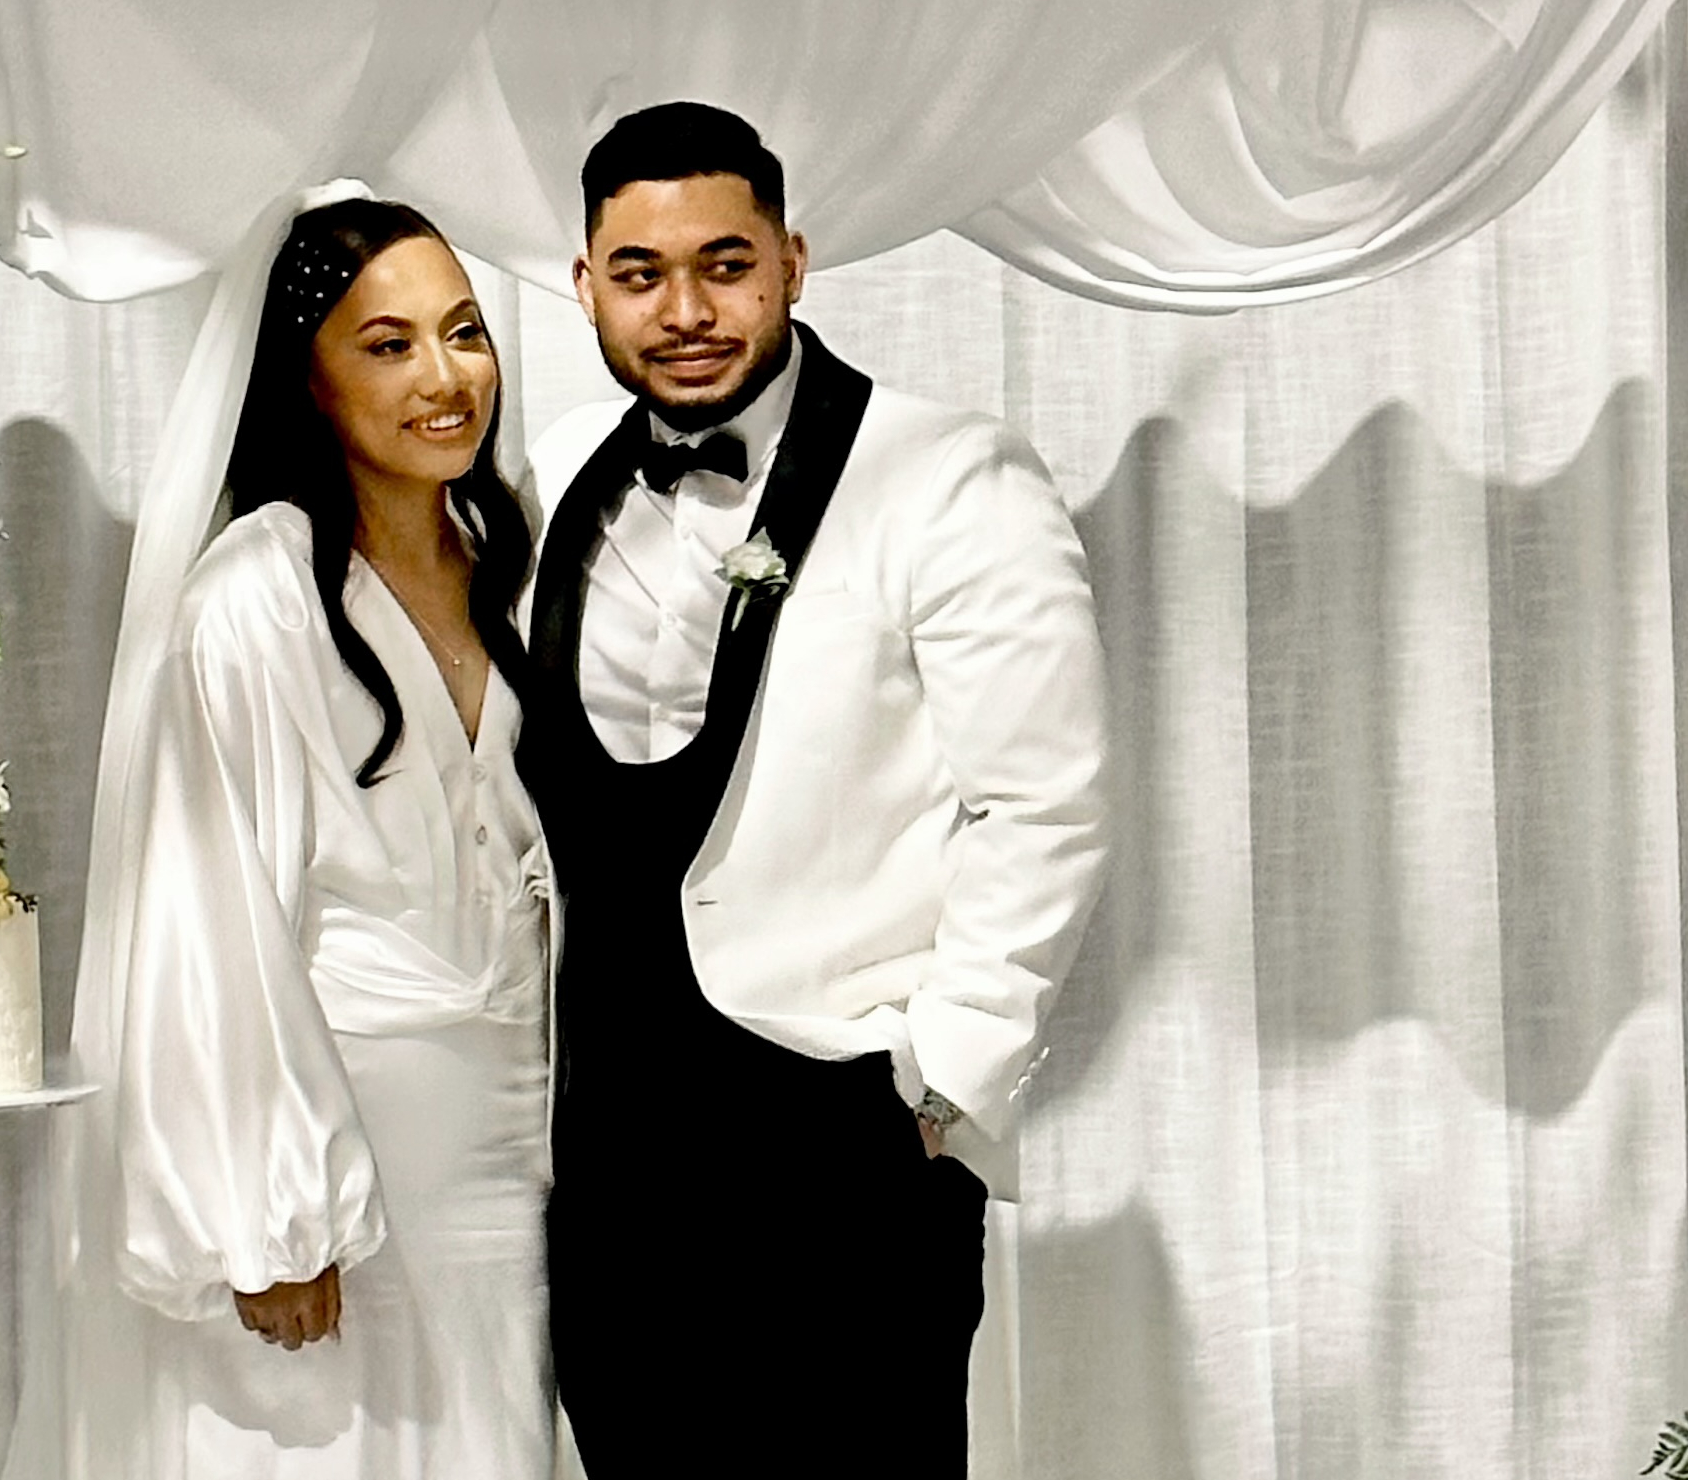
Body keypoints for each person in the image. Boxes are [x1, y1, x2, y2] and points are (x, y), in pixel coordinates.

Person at [518, 102, 1111, 1474]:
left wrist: (941, 1081)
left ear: (791, 261)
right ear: (585, 285)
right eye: (640, 273)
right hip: (607, 1155)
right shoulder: (549, 479)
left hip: (842, 1137)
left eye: (724, 266)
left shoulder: (948, 475)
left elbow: (1045, 804)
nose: (685, 312)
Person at [90, 195, 554, 1478]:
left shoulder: (510, 558)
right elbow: (206, 913)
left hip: (518, 1147)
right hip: (345, 1156)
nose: (446, 377)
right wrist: (268, 1210)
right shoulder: (256, 598)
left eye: (465, 332)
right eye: (389, 344)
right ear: (307, 375)